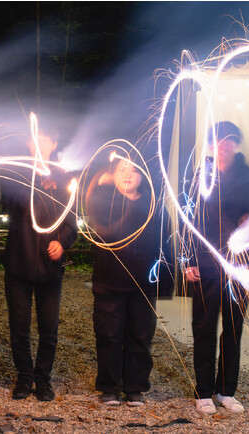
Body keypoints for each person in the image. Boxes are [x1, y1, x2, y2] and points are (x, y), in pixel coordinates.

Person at [183, 121, 249, 414]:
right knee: (203, 326)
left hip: (237, 261)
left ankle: (226, 391)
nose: (224, 145)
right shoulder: (199, 175)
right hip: (204, 260)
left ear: (236, 144)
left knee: (233, 327)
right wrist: (188, 259)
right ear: (211, 144)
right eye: (218, 140)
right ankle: (203, 392)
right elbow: (187, 218)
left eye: (230, 140)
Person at [3, 130, 78, 401]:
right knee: (19, 327)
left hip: (50, 268)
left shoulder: (65, 176)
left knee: (49, 329)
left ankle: (43, 378)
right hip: (18, 264)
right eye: (34, 139)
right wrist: (34, 178)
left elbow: (72, 222)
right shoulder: (18, 173)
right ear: (27, 142)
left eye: (45, 139)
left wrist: (62, 243)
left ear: (54, 143)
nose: (39, 144)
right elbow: (11, 204)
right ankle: (24, 377)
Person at [87, 158, 164, 406]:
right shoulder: (105, 199)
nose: (128, 174)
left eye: (133, 170)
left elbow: (164, 240)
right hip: (109, 282)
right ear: (112, 175)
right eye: (122, 170)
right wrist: (102, 178)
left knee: (140, 337)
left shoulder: (152, 205)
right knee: (109, 335)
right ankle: (109, 387)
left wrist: (162, 279)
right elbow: (91, 202)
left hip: (143, 284)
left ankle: (135, 387)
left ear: (142, 175)